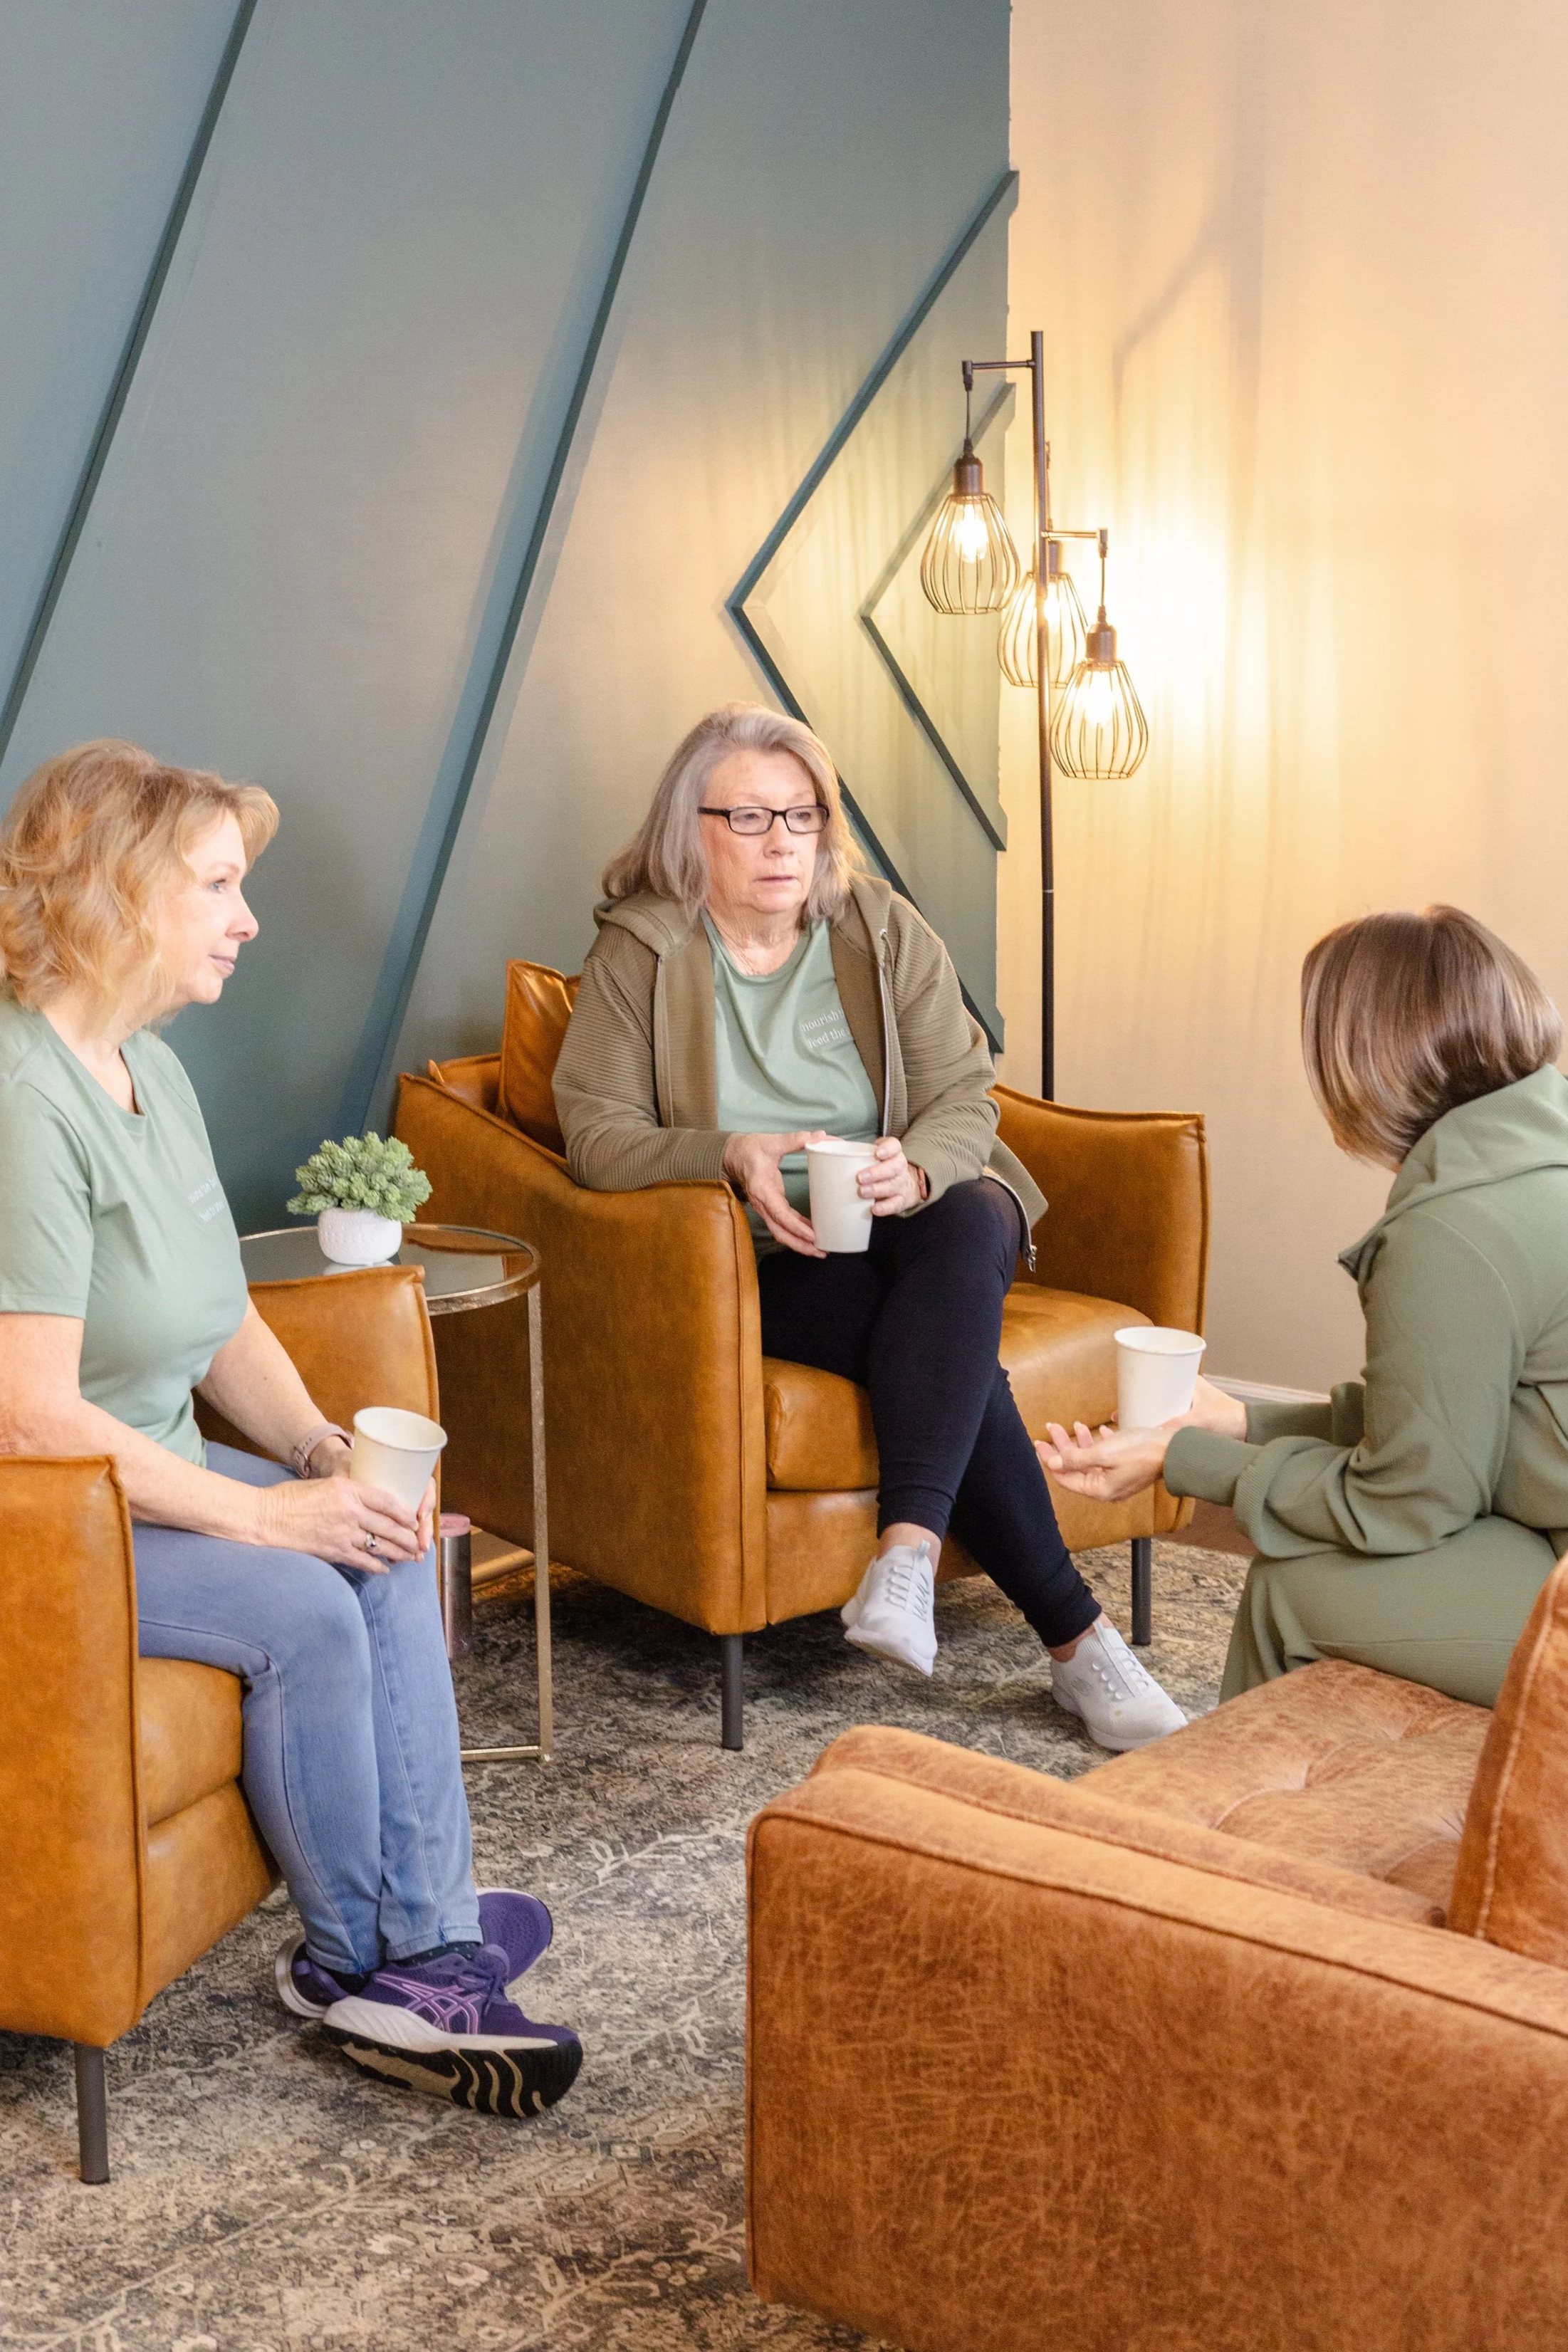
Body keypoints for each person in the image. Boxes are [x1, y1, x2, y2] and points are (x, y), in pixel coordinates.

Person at [0, 741, 580, 2117]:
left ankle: (421, 1944)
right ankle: (356, 1963)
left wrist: (322, 1458)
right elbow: (27, 1413)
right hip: (42, 1517)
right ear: (115, 893)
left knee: (383, 1543)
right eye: (217, 885)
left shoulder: (150, 1065)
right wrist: (267, 1518)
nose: (247, 917)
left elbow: (216, 1318)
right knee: (305, 1607)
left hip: (136, 1478)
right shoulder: (24, 1102)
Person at [552, 701, 1186, 1750]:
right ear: (688, 827)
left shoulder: (878, 927)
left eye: (802, 817)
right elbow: (598, 1138)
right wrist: (727, 1149)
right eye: (750, 817)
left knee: (972, 1206)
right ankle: (1080, 1645)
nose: (782, 844)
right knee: (953, 1359)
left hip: (910, 1226)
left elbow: (964, 1099)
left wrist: (918, 1162)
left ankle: (904, 1557)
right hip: (759, 1263)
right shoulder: (642, 955)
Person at [1042, 904, 1568, 1710]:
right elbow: (1460, 1436)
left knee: (1296, 1585)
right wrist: (1243, 1424)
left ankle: (1222, 1833)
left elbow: (1406, 1504)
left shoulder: (1452, 1233)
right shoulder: (1538, 1152)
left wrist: (1179, 1459)